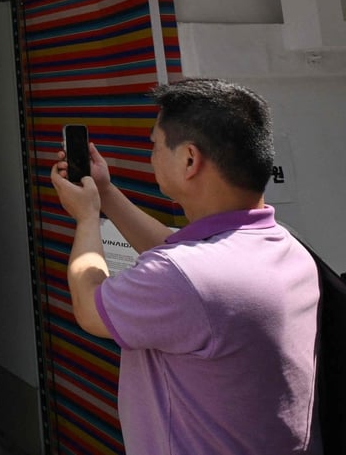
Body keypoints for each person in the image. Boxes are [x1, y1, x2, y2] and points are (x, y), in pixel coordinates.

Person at [51, 78, 320, 454]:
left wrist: (85, 218)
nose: (152, 155)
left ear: (190, 160)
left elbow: (89, 304)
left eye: (155, 145)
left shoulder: (186, 277)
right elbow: (173, 248)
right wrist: (106, 193)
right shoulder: (286, 248)